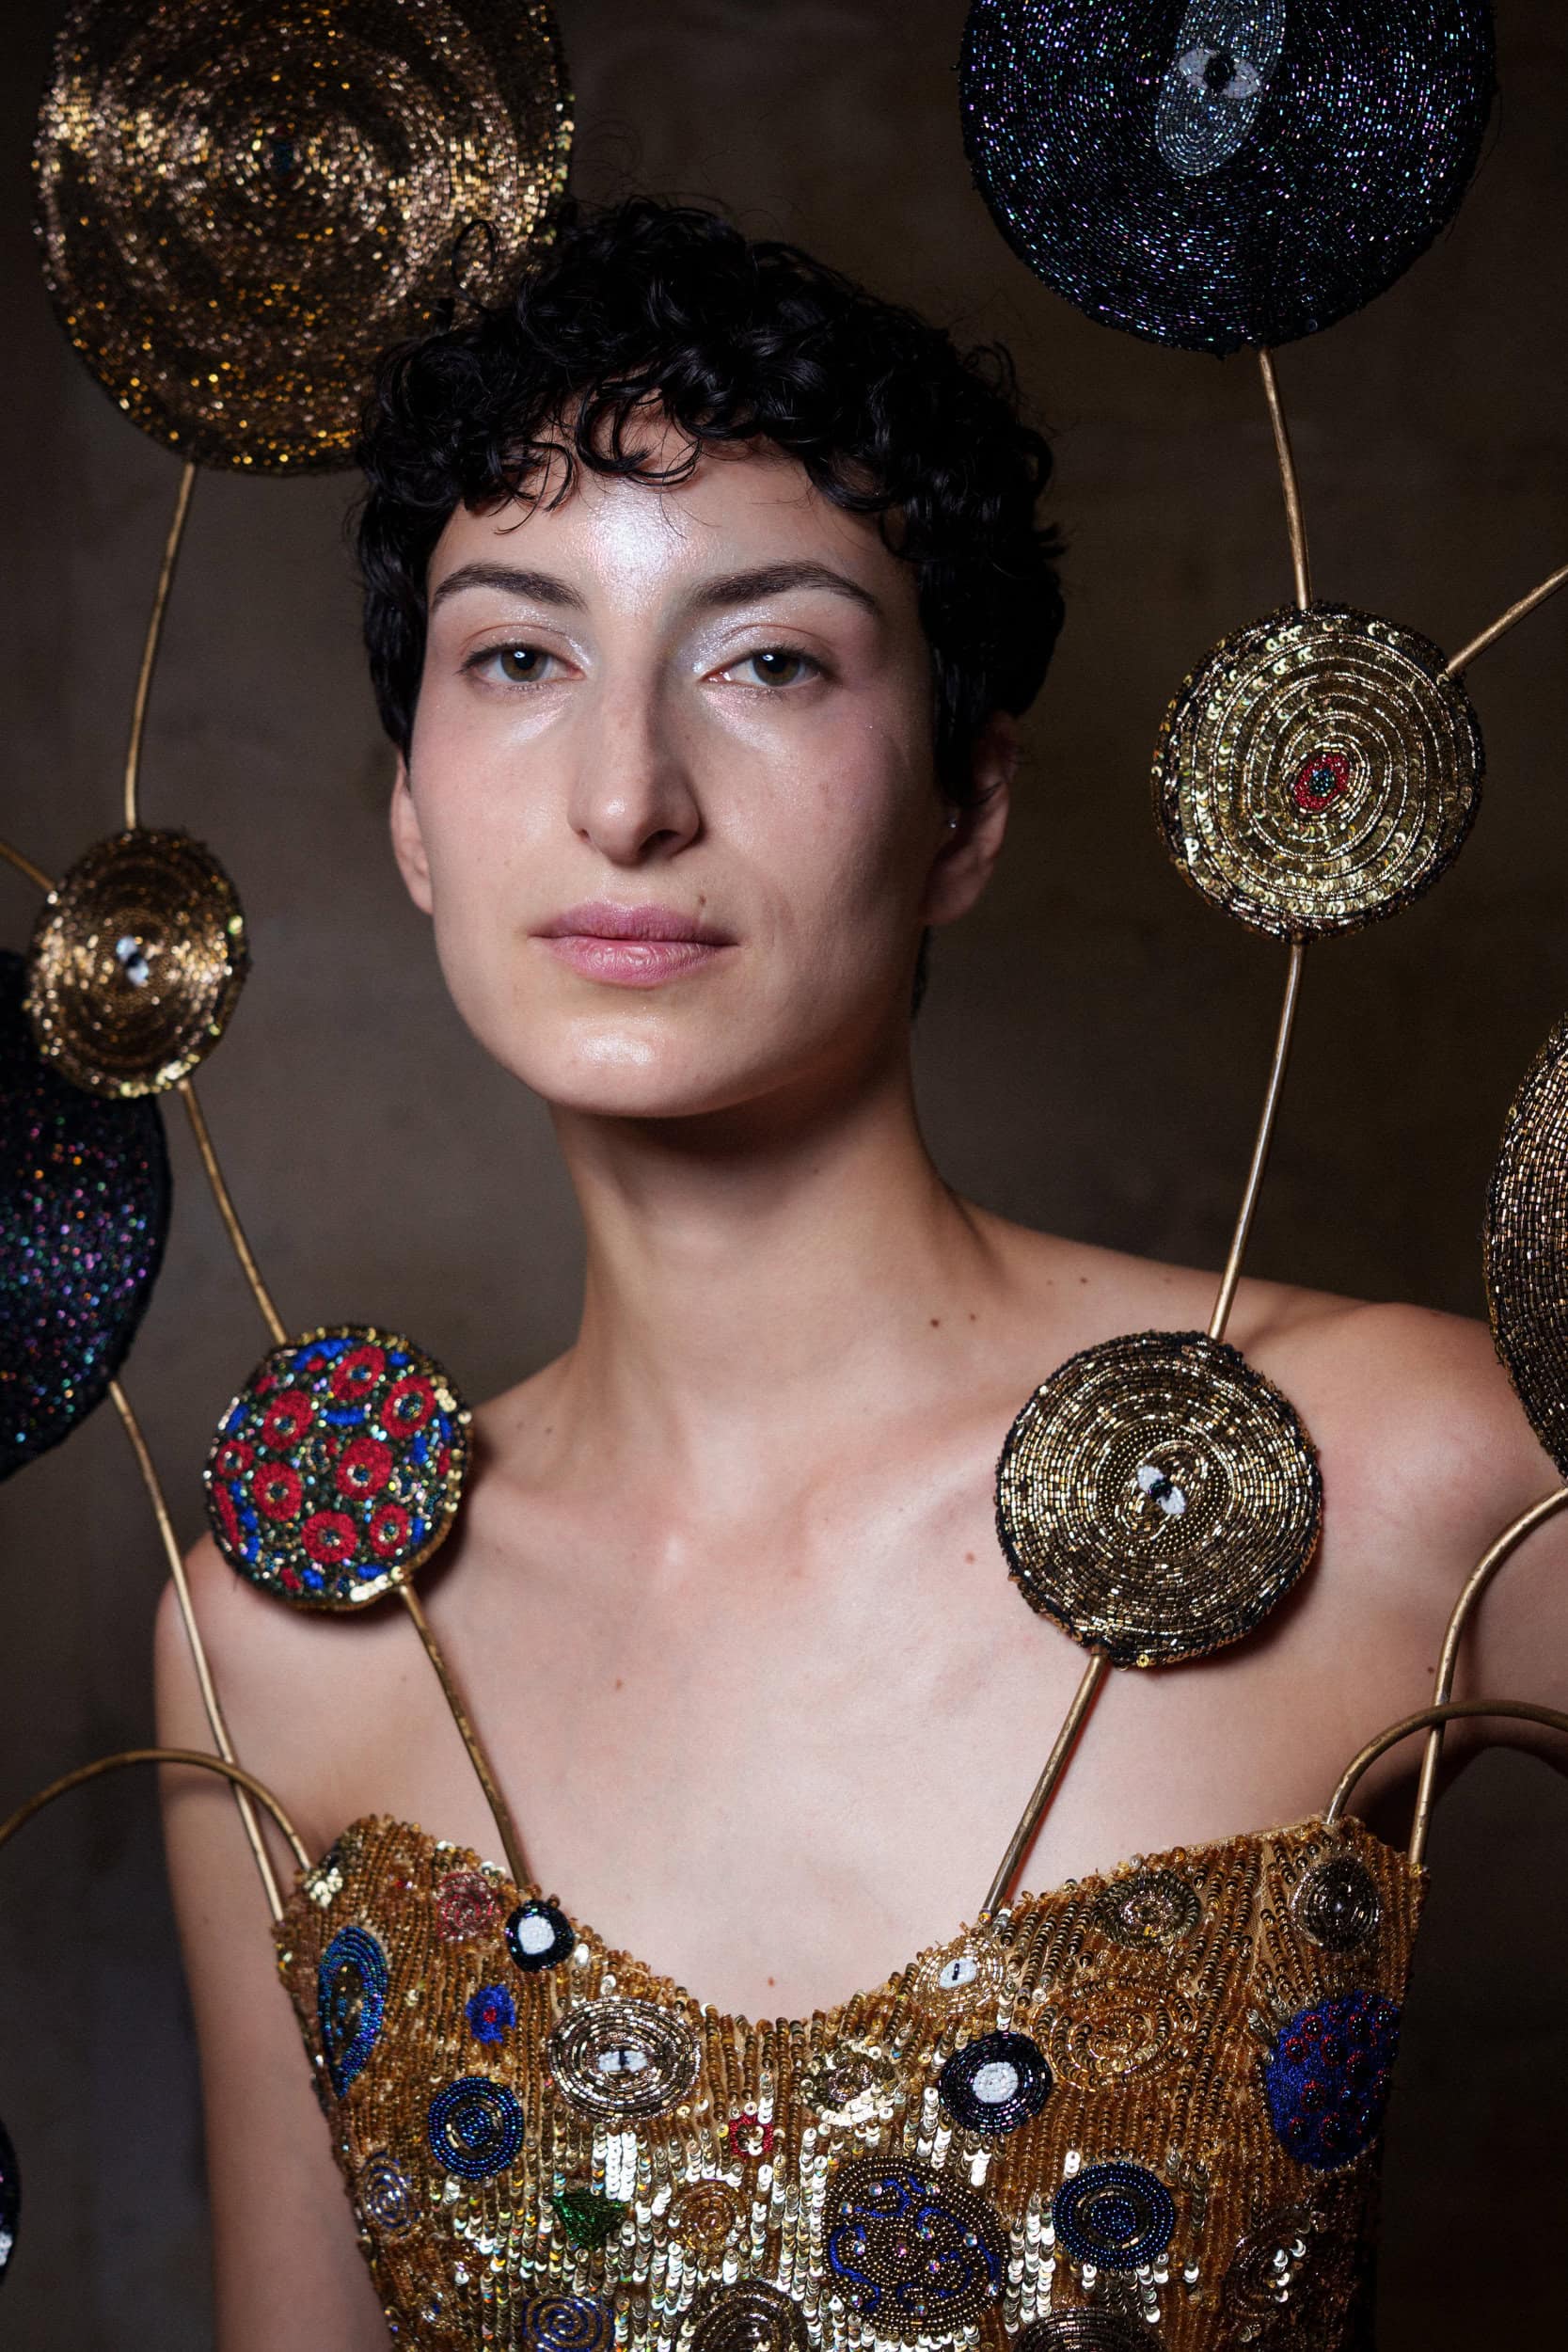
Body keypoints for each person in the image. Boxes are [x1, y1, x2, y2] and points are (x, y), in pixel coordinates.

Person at [155, 197, 1567, 2348]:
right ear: (414, 815)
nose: (626, 796)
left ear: (965, 805)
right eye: (519, 656)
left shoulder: (1409, 1466)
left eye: (772, 660)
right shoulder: (285, 1631)